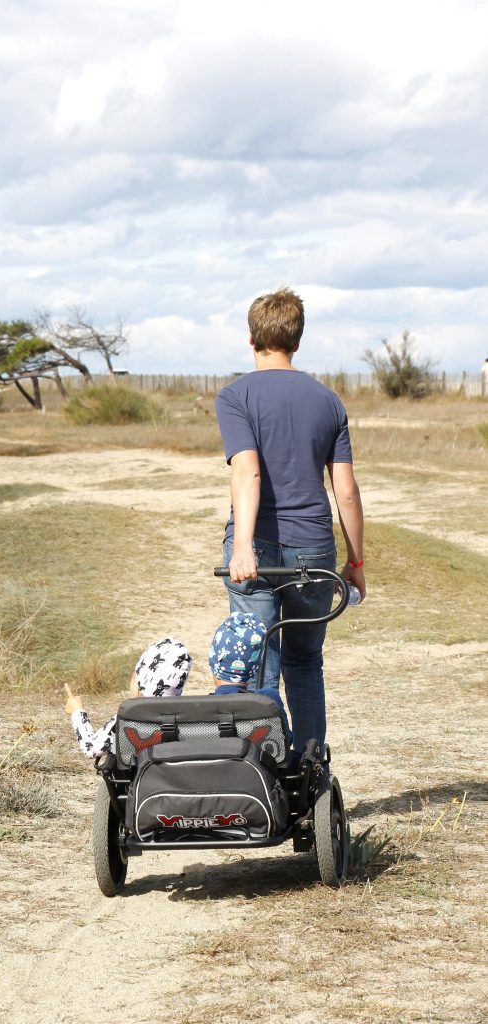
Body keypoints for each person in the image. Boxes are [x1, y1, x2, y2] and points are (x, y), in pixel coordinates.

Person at [214, 287, 365, 756]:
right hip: (314, 550)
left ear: (252, 338)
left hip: (256, 548)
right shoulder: (328, 401)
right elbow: (346, 490)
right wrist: (356, 561)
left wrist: (242, 547)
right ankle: (310, 769)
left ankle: (263, 769)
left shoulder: (235, 397)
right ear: (297, 340)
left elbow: (248, 470)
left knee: (259, 662)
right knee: (304, 661)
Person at [64, 638, 192, 758]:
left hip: (140, 781)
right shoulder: (187, 716)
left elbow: (91, 748)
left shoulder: (131, 716)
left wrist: (77, 712)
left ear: (140, 682)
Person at [208, 611, 292, 742]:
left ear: (213, 664)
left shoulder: (198, 708)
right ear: (255, 668)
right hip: (257, 761)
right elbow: (286, 740)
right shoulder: (267, 700)